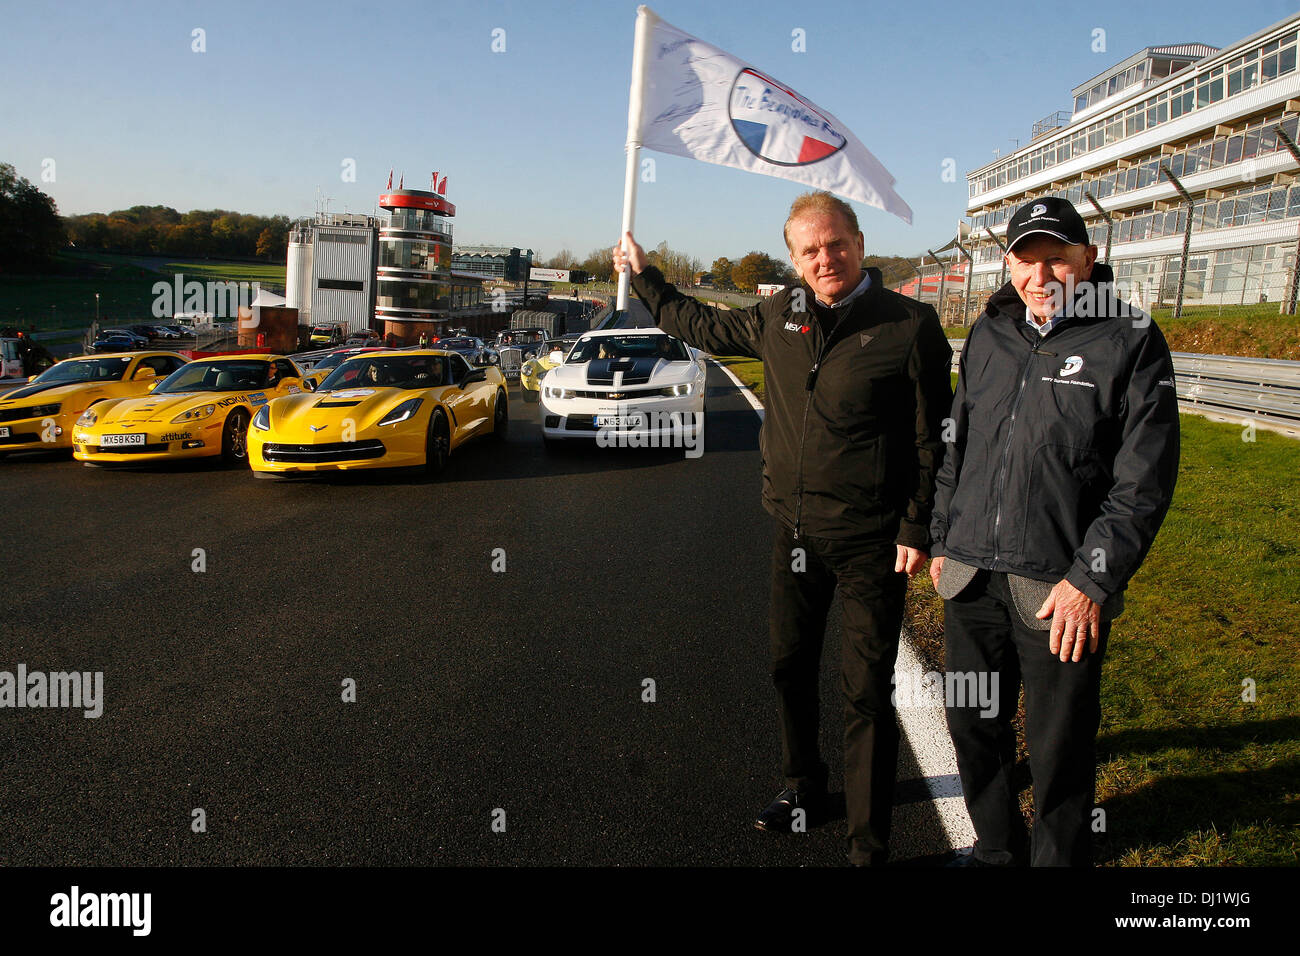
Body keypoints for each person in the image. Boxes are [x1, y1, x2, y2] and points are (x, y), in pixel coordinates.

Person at [613, 191, 953, 866]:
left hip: (873, 543)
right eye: (810, 250)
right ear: (795, 260)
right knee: (789, 669)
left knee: (865, 690)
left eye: (835, 244)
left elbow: (933, 437)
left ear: (859, 243)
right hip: (794, 533)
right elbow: (701, 326)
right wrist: (647, 277)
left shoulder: (909, 324)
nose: (825, 258)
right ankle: (803, 787)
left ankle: (868, 843)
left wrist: (919, 526)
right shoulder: (779, 314)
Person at [929, 197, 1180, 867]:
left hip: (1056, 587)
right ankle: (993, 848)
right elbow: (957, 442)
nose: (1040, 275)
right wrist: (941, 534)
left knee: (1059, 743)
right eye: (1026, 259)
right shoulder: (990, 330)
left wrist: (1090, 579)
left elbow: (1143, 482)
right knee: (972, 726)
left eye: (1056, 259)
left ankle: (1057, 859)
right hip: (970, 577)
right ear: (1008, 262)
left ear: (1087, 259)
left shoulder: (1127, 336)